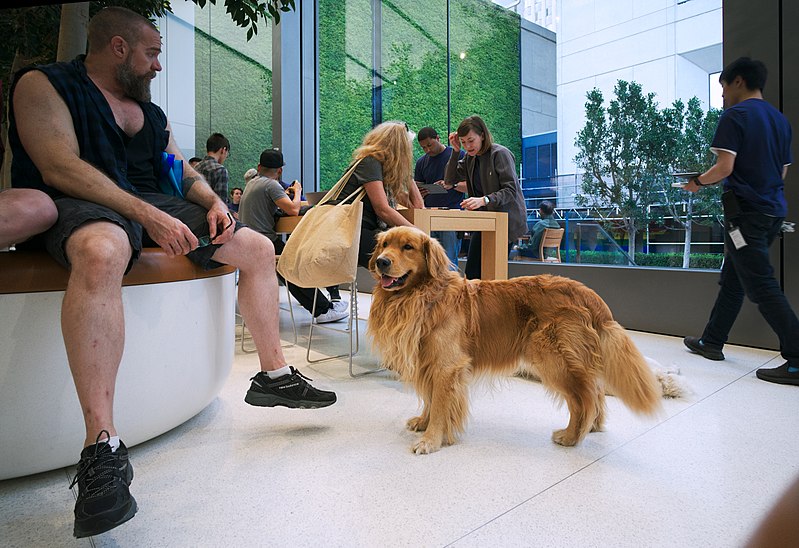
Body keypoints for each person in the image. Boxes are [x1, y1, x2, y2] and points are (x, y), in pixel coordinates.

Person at [8, 7, 336, 538]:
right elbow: (58, 166)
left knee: (254, 247)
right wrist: (146, 214)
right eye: (152, 53)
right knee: (103, 249)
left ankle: (273, 377)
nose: (158, 65)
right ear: (118, 47)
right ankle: (102, 448)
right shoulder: (45, 85)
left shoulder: (149, 112)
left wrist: (210, 203)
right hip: (78, 203)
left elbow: (180, 171)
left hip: (152, 204)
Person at [681, 57, 798, 387]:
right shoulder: (780, 121)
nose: (722, 96)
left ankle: (797, 357)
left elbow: (724, 167)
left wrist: (698, 182)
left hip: (744, 216)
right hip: (772, 213)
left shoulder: (735, 115)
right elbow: (782, 171)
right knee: (734, 276)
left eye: (722, 88)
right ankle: (712, 341)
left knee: (761, 285)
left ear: (738, 82)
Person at [238, 148, 349, 323]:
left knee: (290, 265)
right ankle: (322, 310)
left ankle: (324, 305)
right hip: (263, 241)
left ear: (259, 167)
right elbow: (293, 209)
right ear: (280, 170)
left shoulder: (252, 183)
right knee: (293, 267)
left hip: (247, 240)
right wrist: (297, 190)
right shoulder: (271, 184)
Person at [444, 115, 528, 279]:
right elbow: (449, 181)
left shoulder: (500, 154)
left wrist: (484, 199)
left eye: (471, 140)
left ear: (482, 135)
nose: (467, 146)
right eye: (463, 142)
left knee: (492, 276)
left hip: (505, 222)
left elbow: (511, 190)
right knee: (472, 275)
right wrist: (455, 152)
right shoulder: (470, 157)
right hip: (484, 222)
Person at [335, 121, 424, 269]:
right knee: (408, 262)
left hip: (360, 230)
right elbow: (382, 209)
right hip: (350, 231)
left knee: (406, 262)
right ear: (399, 147)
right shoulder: (369, 163)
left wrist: (407, 173)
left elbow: (417, 206)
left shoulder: (385, 174)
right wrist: (418, 235)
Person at [414, 126, 465, 270]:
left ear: (438, 138)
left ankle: (452, 292)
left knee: (449, 261)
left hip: (451, 215)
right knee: (428, 261)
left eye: (429, 145)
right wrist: (420, 192)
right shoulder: (421, 162)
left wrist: (451, 184)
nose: (427, 150)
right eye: (423, 147)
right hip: (429, 216)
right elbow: (416, 187)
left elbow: (470, 186)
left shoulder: (458, 155)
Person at [194, 132, 231, 202]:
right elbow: (221, 202)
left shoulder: (196, 167)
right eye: (227, 153)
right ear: (223, 150)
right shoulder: (220, 170)